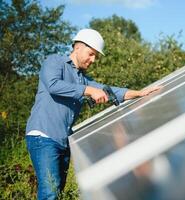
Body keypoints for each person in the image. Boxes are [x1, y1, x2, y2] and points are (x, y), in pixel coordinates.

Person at [25, 28, 161, 200]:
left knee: (57, 191)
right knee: (49, 192)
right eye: (91, 54)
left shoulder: (82, 78)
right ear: (78, 48)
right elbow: (53, 85)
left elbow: (110, 91)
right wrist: (88, 90)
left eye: (95, 56)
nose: (93, 60)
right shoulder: (54, 61)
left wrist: (139, 93)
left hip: (62, 140)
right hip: (43, 136)